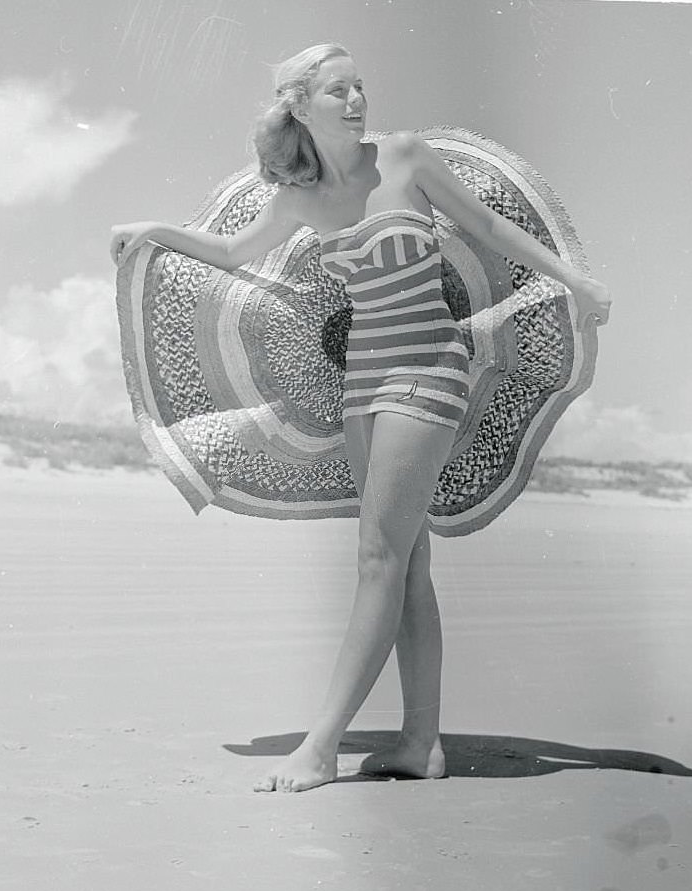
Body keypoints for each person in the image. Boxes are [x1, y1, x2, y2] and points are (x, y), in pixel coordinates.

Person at [110, 42, 611, 793]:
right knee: (405, 565)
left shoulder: (404, 159)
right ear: (299, 107)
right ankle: (419, 743)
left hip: (428, 371)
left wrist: (572, 279)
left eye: (359, 87)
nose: (356, 101)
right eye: (338, 91)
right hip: (361, 381)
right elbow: (227, 249)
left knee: (377, 558)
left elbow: (493, 231)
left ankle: (320, 743)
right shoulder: (298, 199)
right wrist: (154, 230)